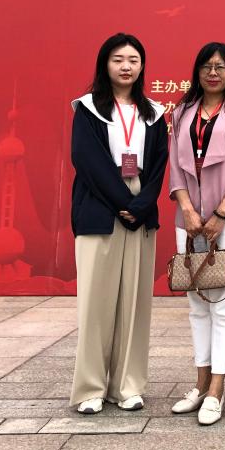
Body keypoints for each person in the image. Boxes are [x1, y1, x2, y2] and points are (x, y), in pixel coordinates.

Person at [69, 33, 168, 415]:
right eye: (118, 59)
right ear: (104, 64)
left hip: (140, 210)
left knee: (135, 303)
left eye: (133, 60)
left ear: (142, 66)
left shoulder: (153, 112)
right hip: (100, 207)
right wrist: (125, 203)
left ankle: (127, 386)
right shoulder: (88, 109)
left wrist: (141, 203)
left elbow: (159, 163)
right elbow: (87, 160)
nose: (126, 66)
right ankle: (90, 388)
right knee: (96, 304)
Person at [168, 43, 225, 426]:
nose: (213, 72)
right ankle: (200, 383)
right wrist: (188, 210)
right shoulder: (181, 112)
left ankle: (217, 390)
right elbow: (175, 167)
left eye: (220, 66)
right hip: (189, 221)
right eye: (207, 66)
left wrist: (221, 212)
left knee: (223, 305)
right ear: (197, 71)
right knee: (196, 305)